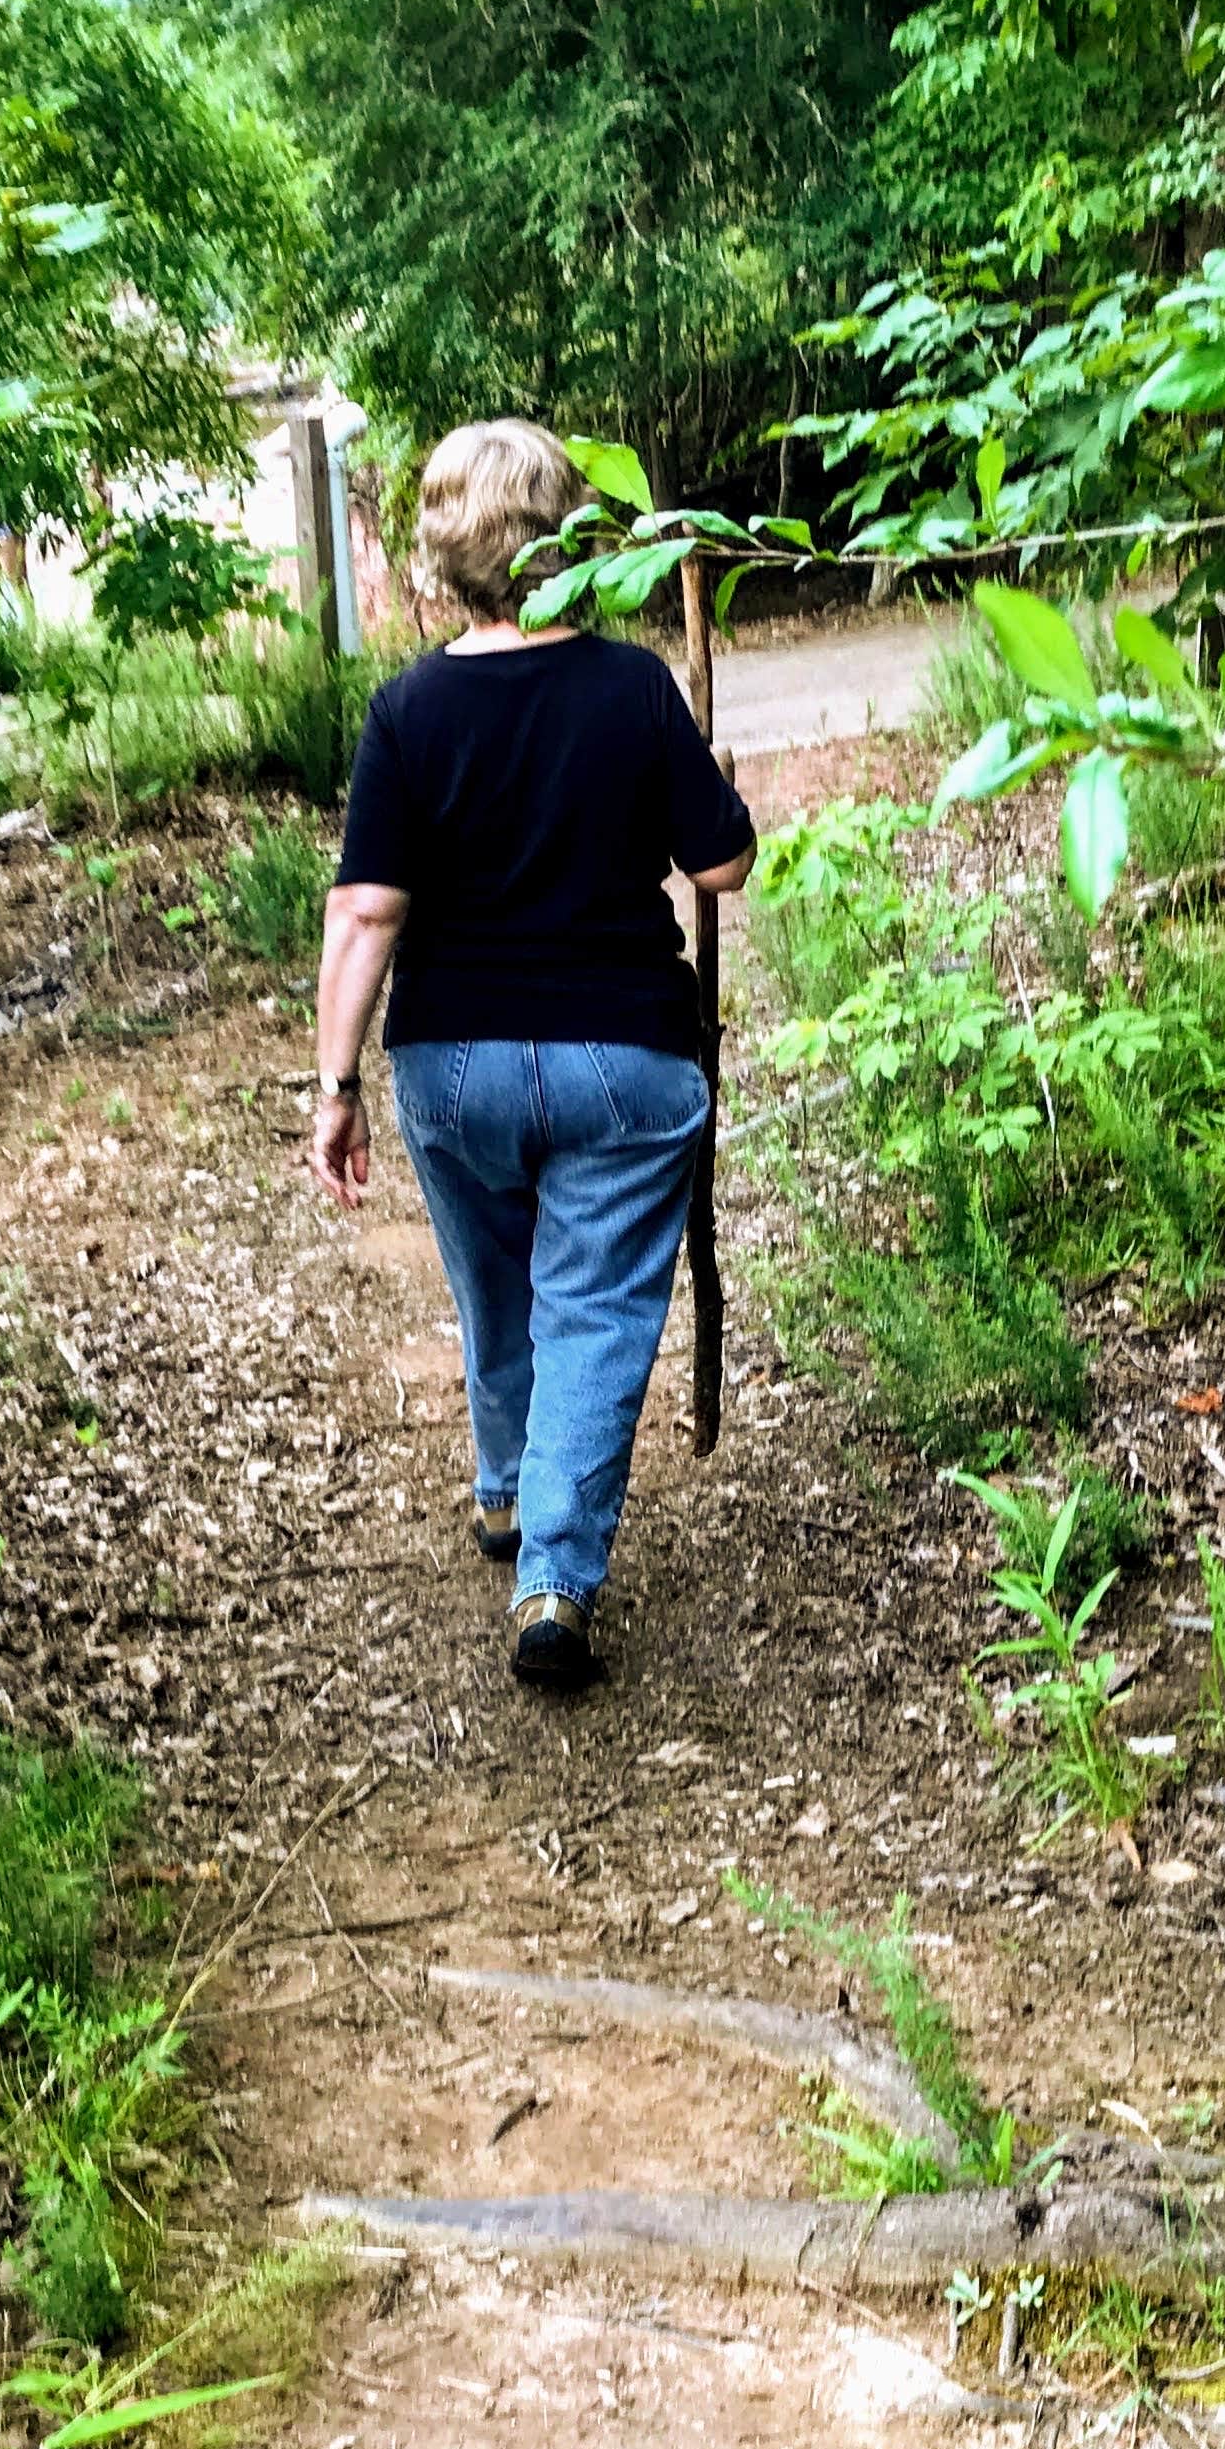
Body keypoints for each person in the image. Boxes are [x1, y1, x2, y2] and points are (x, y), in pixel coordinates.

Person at [308, 418, 757, 1693]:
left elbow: (366, 914)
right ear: (573, 542)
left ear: (446, 555)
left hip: (454, 1065)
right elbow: (720, 863)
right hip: (628, 1058)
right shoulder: (630, 689)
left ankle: (508, 1491)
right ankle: (553, 1571)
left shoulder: (408, 709)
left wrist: (336, 1088)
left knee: (495, 1285)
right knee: (598, 1306)